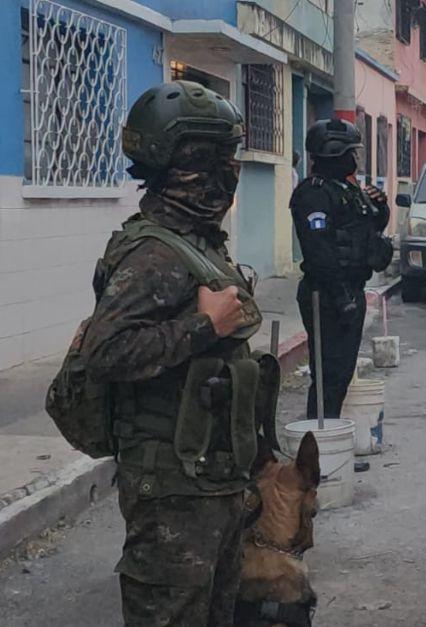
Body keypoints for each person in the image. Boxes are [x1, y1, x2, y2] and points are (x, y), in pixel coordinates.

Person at [83, 81, 267, 625]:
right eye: (201, 159)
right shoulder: (154, 253)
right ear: (163, 165)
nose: (221, 173)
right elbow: (106, 351)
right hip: (170, 487)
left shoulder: (201, 241)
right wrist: (203, 326)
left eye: (225, 157)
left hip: (214, 476)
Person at [290, 119, 393, 420]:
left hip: (351, 290)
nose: (356, 159)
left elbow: (367, 230)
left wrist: (381, 207)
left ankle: (328, 438)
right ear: (335, 152)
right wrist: (340, 296)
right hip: (327, 296)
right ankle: (318, 444)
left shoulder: (346, 188)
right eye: (351, 152)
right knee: (328, 376)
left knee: (341, 374)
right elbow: (319, 250)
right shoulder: (314, 193)